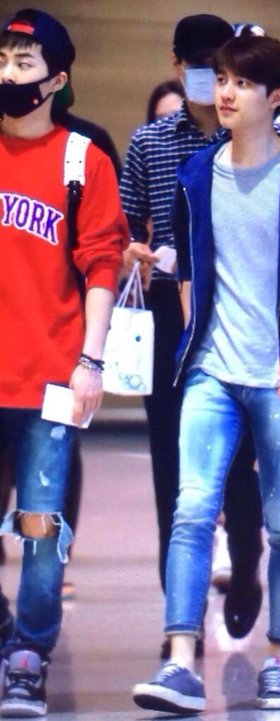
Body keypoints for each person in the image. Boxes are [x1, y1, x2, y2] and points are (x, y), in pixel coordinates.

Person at [131, 34, 280, 714]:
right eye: (222, 79)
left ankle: (279, 660)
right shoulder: (197, 173)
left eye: (242, 83)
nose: (225, 92)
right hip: (212, 373)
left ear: (275, 96)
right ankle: (179, 660)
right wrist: (195, 338)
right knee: (194, 508)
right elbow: (188, 266)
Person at [120, 14, 264, 656]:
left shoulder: (258, 135)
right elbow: (123, 226)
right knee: (172, 470)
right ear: (178, 65)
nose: (211, 77)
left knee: (239, 461)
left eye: (221, 63)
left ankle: (247, 564)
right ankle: (180, 618)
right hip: (166, 314)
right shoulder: (150, 143)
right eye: (199, 63)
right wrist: (136, 250)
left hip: (239, 312)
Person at [0, 8, 128, 717]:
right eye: (3, 60)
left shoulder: (84, 159)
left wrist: (91, 360)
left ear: (56, 80)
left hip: (49, 372)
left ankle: (29, 653)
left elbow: (103, 265)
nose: (8, 73)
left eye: (24, 63)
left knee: (40, 525)